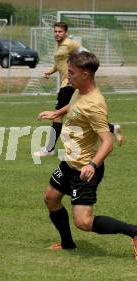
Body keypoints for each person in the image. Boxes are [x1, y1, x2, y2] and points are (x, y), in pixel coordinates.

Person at [38, 52, 137, 259]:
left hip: (85, 169)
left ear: (85, 74)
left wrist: (92, 165)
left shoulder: (95, 104)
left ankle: (134, 232)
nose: (68, 77)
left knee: (83, 222)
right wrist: (57, 113)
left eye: (71, 73)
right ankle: (67, 244)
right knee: (51, 198)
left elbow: (108, 141)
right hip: (69, 162)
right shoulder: (79, 91)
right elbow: (74, 106)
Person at [34, 22, 123, 157]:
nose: (57, 34)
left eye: (60, 31)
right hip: (66, 84)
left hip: (69, 85)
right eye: (55, 31)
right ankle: (112, 128)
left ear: (66, 33)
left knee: (57, 115)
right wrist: (50, 72)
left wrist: (83, 69)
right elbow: (58, 64)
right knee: (79, 112)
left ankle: (49, 149)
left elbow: (86, 54)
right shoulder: (59, 46)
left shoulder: (70, 43)